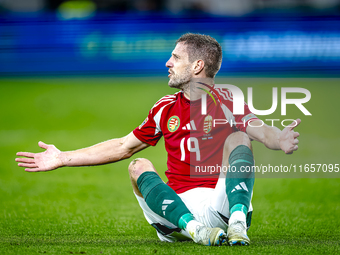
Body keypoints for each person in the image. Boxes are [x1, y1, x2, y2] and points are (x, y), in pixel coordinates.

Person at [16, 33, 300, 246]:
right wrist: (62, 158)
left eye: (176, 57)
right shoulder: (164, 107)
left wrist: (279, 138)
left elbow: (260, 130)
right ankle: (195, 230)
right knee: (138, 164)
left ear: (198, 65)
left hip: (220, 206)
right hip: (175, 212)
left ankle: (238, 223)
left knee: (240, 138)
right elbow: (122, 147)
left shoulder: (228, 100)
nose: (168, 62)